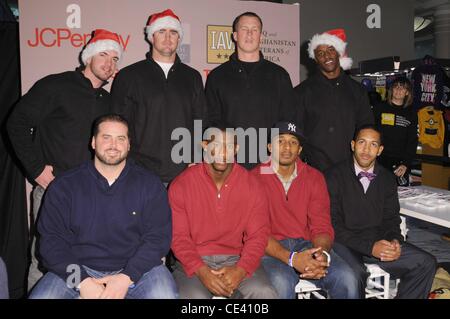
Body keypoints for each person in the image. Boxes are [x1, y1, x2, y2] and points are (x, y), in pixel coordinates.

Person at [7, 29, 123, 291]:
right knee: (44, 261)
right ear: (88, 56)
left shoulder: (108, 100)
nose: (109, 63)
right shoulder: (56, 85)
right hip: (55, 192)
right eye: (103, 54)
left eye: (115, 59)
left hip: (95, 197)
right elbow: (17, 123)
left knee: (90, 263)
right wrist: (36, 169)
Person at [29, 114, 177, 299]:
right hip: (76, 269)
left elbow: (158, 239)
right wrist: (82, 281)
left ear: (129, 144)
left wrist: (126, 277)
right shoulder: (64, 186)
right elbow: (51, 243)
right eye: (106, 137)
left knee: (164, 295)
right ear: (93, 142)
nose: (113, 145)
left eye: (120, 138)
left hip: (137, 270)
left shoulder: (150, 185)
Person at [325, 125, 437, 299]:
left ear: (380, 150)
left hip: (378, 242)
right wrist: (370, 248)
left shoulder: (387, 178)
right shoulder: (332, 176)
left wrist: (395, 241)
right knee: (355, 275)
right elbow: (332, 225)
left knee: (425, 263)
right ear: (353, 145)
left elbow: (391, 219)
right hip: (344, 243)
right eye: (362, 142)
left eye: (373, 144)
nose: (366, 150)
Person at [251, 121, 359, 299]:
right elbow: (256, 233)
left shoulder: (314, 177)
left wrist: (321, 253)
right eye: (281, 141)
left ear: (300, 149)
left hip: (306, 245)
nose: (287, 147)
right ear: (270, 147)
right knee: (281, 283)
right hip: (269, 250)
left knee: (346, 278)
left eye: (293, 142)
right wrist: (292, 259)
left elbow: (321, 224)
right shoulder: (252, 179)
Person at [169, 124, 278, 299]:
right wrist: (202, 271)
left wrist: (240, 270)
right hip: (194, 260)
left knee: (264, 293)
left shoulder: (252, 185)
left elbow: (258, 236)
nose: (222, 152)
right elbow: (178, 238)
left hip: (237, 258)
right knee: (192, 298)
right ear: (205, 145)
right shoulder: (181, 184)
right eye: (216, 145)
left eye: (228, 146)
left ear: (236, 148)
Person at [111, 9, 206, 185]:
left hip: (184, 172)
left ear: (179, 38)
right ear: (151, 36)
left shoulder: (192, 77)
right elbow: (118, 124)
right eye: (161, 31)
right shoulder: (129, 75)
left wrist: (195, 158)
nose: (168, 37)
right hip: (139, 172)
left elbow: (199, 121)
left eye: (173, 32)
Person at [205, 12, 296, 169]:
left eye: (254, 29)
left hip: (269, 163)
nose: (249, 34)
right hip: (230, 163)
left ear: (261, 36)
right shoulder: (217, 76)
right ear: (235, 35)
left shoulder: (279, 75)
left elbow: (288, 121)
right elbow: (212, 121)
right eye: (244, 29)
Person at [295, 29, 373, 172]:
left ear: (338, 52)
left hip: (350, 171)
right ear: (315, 59)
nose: (326, 56)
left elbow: (366, 128)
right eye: (320, 53)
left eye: (330, 50)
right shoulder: (302, 92)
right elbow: (296, 133)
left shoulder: (357, 91)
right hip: (314, 170)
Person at [372, 77, 418, 186]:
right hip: (378, 159)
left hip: (400, 163)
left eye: (402, 88)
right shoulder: (379, 108)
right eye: (396, 87)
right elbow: (370, 132)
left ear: (407, 92)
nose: (398, 90)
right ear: (391, 89)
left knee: (400, 198)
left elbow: (412, 140)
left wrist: (406, 164)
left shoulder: (411, 113)